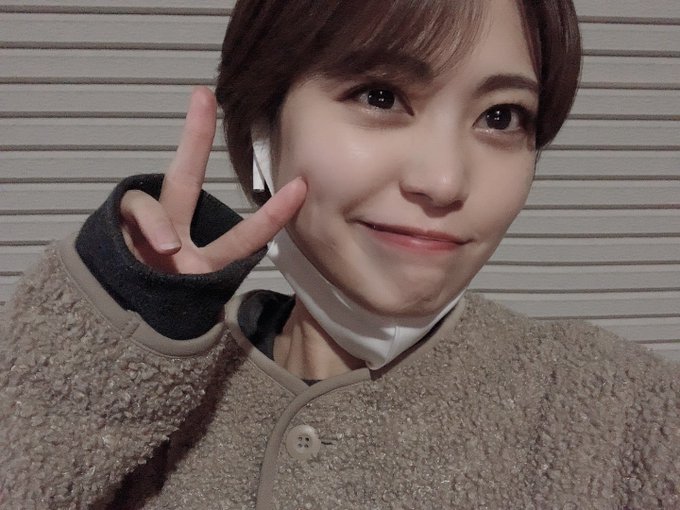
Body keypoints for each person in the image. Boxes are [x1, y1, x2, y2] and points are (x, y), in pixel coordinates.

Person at [1, 0, 678, 508]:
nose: (445, 181)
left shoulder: (621, 415)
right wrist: (131, 320)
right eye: (380, 96)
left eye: (501, 116)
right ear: (263, 127)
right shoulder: (159, 406)